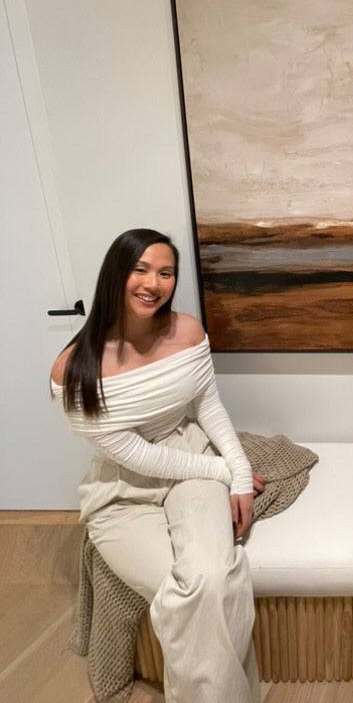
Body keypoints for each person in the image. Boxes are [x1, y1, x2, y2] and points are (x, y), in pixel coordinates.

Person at [51, 228, 264, 703]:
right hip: (122, 488)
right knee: (188, 596)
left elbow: (208, 405)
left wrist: (239, 470)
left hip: (190, 459)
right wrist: (224, 473)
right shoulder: (73, 369)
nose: (154, 283)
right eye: (141, 269)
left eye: (166, 272)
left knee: (212, 578)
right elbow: (137, 455)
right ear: (116, 274)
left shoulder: (187, 332)